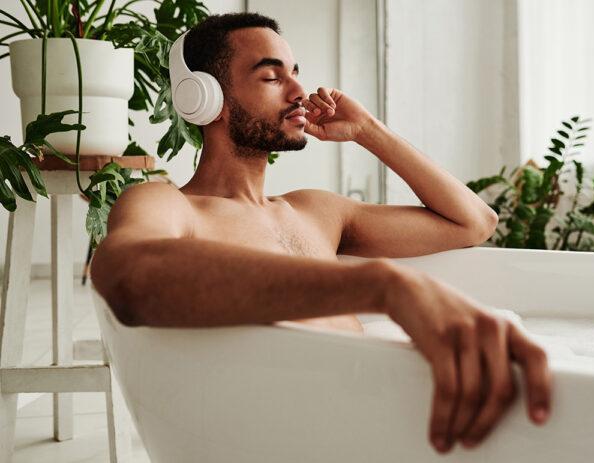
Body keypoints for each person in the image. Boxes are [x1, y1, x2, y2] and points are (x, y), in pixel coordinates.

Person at [90, 12, 551, 455]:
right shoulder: (167, 204)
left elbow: (474, 223)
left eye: (296, 72)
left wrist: (368, 130)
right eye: (272, 77)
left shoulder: (317, 210)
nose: (298, 91)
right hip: (276, 438)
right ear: (205, 98)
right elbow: (128, 276)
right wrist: (384, 287)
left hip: (370, 423)